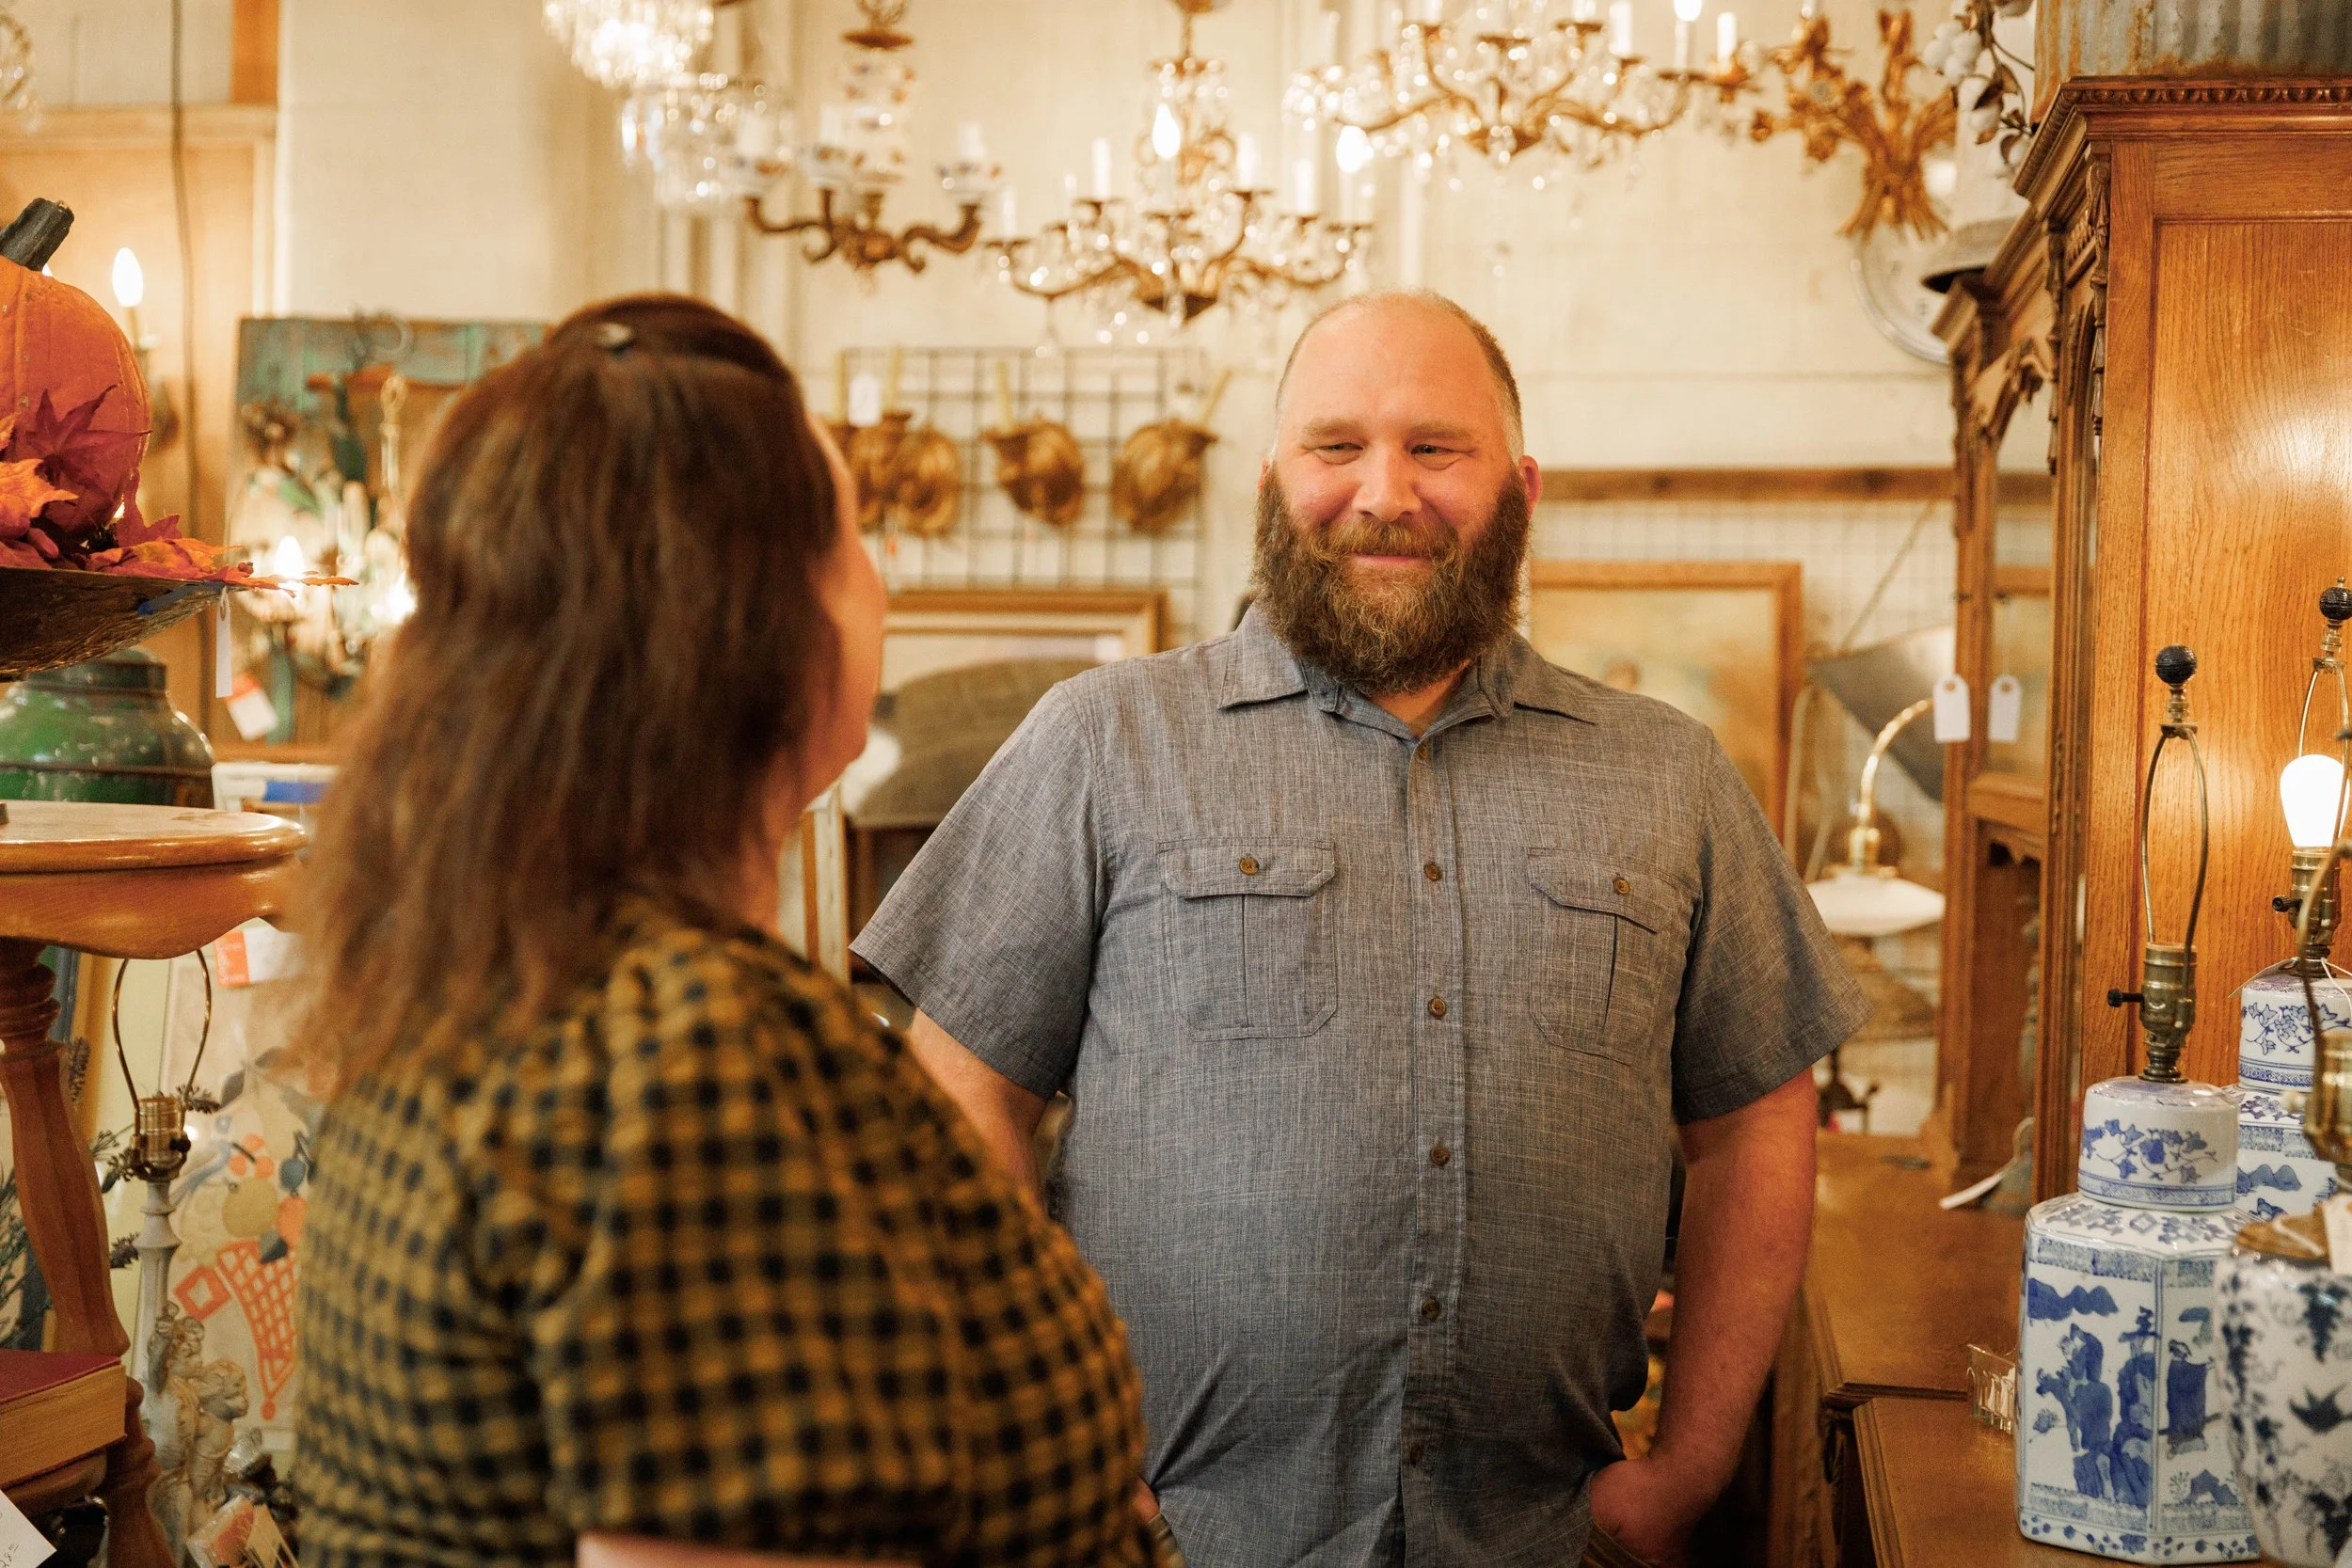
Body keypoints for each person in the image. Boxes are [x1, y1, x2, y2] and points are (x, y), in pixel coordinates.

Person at [853, 290, 1870, 1568]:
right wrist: (1045, 1445)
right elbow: (960, 1099)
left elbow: (1757, 1119)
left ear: (1523, 487)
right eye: (1335, 447)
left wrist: (1693, 1467)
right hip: (1169, 1542)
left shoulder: (1669, 775)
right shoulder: (1101, 741)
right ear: (1274, 479)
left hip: (1549, 1542)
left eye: (1436, 448)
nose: (1383, 490)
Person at [292, 295, 1157, 1568]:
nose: (889, 575)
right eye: (855, 535)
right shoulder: (686, 1046)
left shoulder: (483, 972)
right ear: (745, 618)